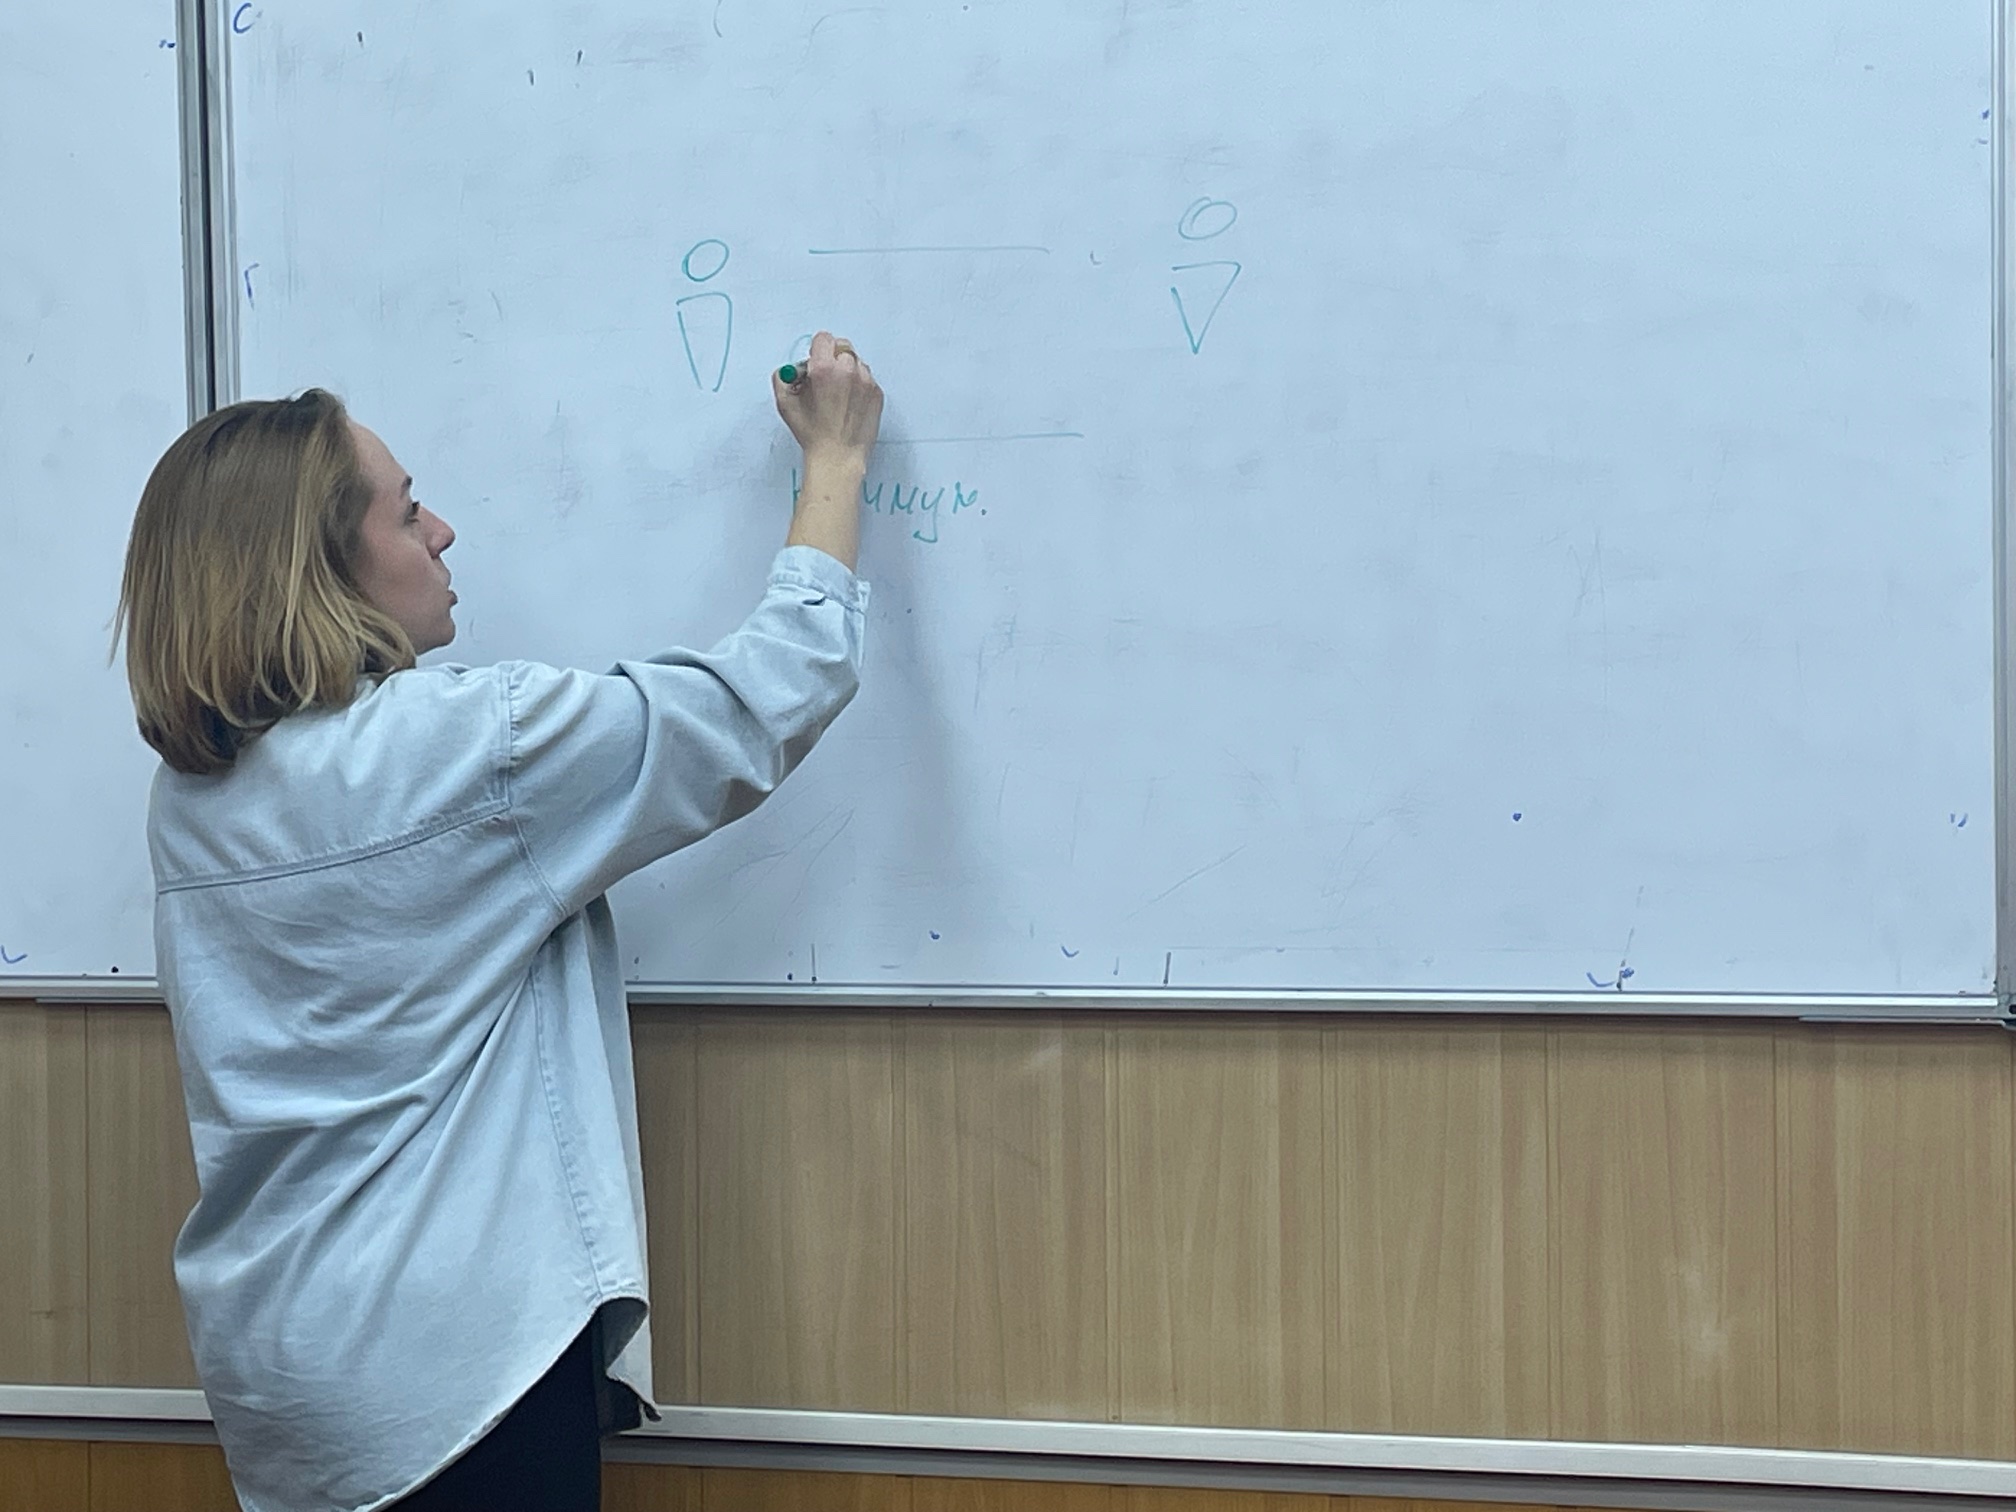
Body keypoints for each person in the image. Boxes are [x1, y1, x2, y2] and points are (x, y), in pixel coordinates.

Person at [114, 333, 883, 1512]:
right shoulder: (466, 753)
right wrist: (835, 462)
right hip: (457, 1375)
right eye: (405, 511)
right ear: (321, 569)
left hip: (286, 1372)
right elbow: (762, 699)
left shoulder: (195, 795)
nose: (442, 533)